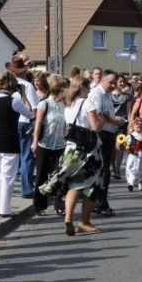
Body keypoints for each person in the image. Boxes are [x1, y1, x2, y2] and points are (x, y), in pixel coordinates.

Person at [40, 76, 104, 235]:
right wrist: (104, 119)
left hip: (71, 149)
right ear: (82, 87)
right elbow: (95, 127)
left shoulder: (67, 103)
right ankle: (84, 221)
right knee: (92, 186)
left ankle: (68, 218)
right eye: (88, 88)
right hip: (89, 150)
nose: (89, 91)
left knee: (74, 185)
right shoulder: (86, 102)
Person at [0, 71, 35, 217]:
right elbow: (31, 114)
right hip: (8, 141)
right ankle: (5, 209)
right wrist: (24, 96)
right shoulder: (14, 101)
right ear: (13, 85)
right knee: (8, 176)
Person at [89, 69, 125, 216]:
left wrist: (115, 120)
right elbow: (98, 115)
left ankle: (101, 202)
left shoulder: (107, 95)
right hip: (100, 134)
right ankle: (99, 203)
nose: (113, 85)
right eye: (111, 82)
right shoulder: (96, 94)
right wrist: (114, 120)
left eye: (114, 82)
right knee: (102, 171)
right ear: (102, 80)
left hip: (109, 133)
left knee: (105, 171)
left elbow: (109, 115)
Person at [32, 75, 68, 216]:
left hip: (60, 145)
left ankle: (60, 206)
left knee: (60, 175)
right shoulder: (44, 104)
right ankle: (39, 206)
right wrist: (35, 142)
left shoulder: (63, 105)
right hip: (45, 144)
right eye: (64, 88)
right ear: (58, 89)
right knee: (41, 175)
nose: (66, 90)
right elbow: (38, 124)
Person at [6, 55, 38, 199]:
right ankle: (27, 189)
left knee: (12, 158)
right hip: (25, 121)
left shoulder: (7, 85)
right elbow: (34, 109)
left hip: (11, 122)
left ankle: (10, 189)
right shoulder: (27, 86)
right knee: (26, 157)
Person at [124, 118, 142, 191]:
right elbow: (126, 145)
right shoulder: (130, 136)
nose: (139, 126)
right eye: (136, 124)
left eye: (141, 125)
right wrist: (127, 147)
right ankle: (131, 184)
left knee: (141, 169)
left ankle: (140, 182)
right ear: (132, 127)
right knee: (131, 169)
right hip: (133, 156)